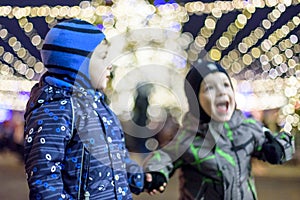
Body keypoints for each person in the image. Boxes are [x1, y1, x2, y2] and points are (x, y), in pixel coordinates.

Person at [23, 18, 160, 200]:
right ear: (77, 63)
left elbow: (116, 159)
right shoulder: (57, 110)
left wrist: (141, 179)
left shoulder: (102, 108)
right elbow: (45, 180)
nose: (111, 63)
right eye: (103, 56)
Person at [143, 60, 295, 199]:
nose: (221, 92)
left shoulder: (247, 129)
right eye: (209, 88)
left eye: (225, 85)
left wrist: (279, 147)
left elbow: (274, 138)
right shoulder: (188, 137)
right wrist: (156, 173)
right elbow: (165, 156)